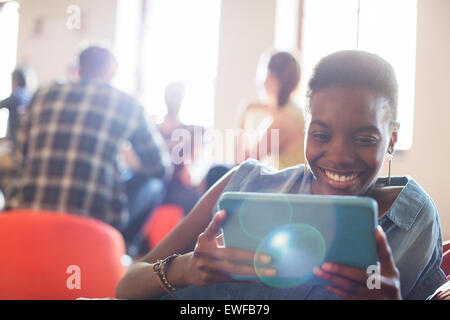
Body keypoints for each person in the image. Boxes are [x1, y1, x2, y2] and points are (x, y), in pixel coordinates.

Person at [115, 50, 446, 300]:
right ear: (305, 131)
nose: (340, 156)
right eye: (321, 135)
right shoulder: (246, 183)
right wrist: (186, 268)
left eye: (364, 139)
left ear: (392, 139)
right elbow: (127, 285)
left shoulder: (412, 220)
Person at [3, 46, 173, 251]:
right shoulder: (126, 103)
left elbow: (22, 157)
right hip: (94, 221)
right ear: (111, 72)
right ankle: (122, 252)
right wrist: (126, 165)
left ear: (79, 69)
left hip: (28, 211)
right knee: (154, 184)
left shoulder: (42, 94)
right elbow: (160, 167)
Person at [238, 51, 305, 169]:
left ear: (270, 77)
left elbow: (241, 161)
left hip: (289, 187)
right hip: (295, 185)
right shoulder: (295, 113)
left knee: (216, 171)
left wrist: (245, 111)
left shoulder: (282, 121)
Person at [157, 81, 201, 215]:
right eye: (172, 95)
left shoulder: (192, 131)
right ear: (165, 97)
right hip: (156, 181)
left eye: (178, 96)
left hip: (178, 185)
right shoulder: (153, 129)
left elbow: (195, 162)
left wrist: (190, 171)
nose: (174, 99)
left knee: (194, 196)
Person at [0, 68, 33, 148]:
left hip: (15, 137)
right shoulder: (29, 95)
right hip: (26, 137)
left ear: (15, 80)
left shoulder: (15, 96)